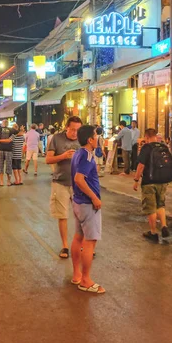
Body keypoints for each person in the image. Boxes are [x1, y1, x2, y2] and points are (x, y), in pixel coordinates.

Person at [70, 125, 106, 294]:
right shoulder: (87, 156)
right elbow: (79, 179)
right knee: (89, 242)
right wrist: (94, 197)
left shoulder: (77, 153)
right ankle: (85, 280)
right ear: (90, 140)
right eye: (95, 135)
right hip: (86, 204)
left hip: (78, 202)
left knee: (79, 238)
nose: (97, 138)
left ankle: (77, 274)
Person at [46, 116, 82, 259]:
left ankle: (81, 244)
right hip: (60, 181)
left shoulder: (82, 139)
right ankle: (65, 246)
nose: (75, 133)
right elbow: (48, 159)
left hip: (79, 183)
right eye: (72, 129)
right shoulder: (57, 138)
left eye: (78, 130)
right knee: (63, 215)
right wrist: (63, 156)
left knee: (82, 216)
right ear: (67, 127)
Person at [133, 128, 172, 243]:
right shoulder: (164, 147)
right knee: (160, 204)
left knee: (150, 207)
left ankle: (153, 232)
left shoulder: (146, 148)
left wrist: (136, 180)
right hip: (163, 181)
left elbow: (141, 166)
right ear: (156, 136)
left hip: (149, 182)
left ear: (146, 137)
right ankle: (164, 226)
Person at [0, 119, 14, 186]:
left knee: (0, 165)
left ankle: (1, 182)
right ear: (8, 124)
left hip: (0, 149)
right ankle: (8, 181)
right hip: (9, 149)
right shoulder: (12, 130)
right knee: (9, 165)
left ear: (2, 124)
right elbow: (10, 140)